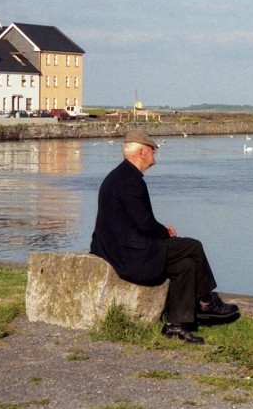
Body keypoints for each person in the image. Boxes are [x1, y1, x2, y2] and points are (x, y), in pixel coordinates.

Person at [90, 129, 239, 343]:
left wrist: (160, 232)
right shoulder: (131, 181)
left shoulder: (120, 176)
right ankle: (207, 302)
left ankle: (176, 326)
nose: (154, 155)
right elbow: (145, 224)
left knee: (185, 265)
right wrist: (165, 232)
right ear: (142, 152)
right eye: (153, 150)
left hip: (120, 249)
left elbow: (137, 222)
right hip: (129, 255)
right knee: (193, 247)